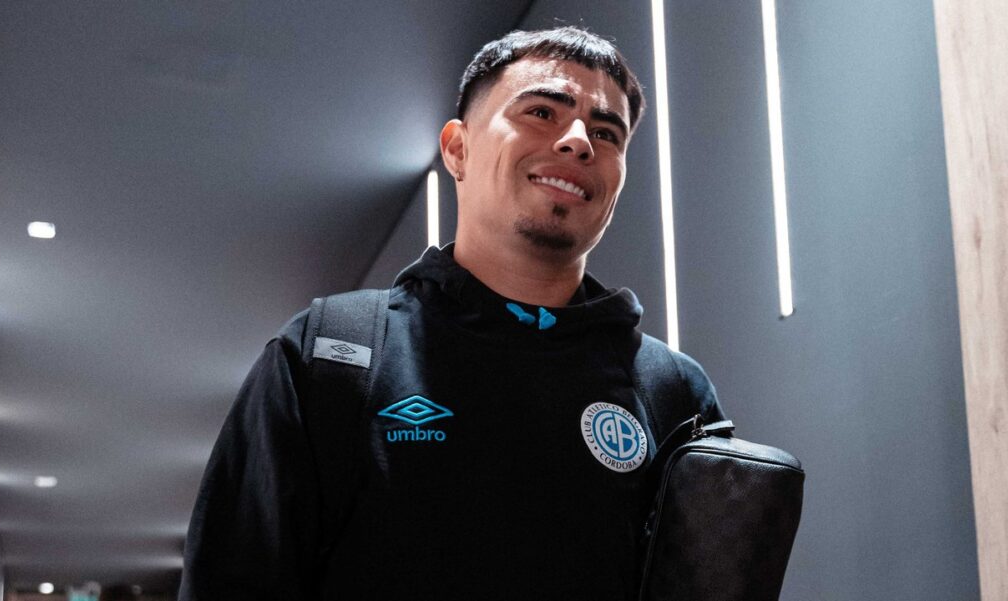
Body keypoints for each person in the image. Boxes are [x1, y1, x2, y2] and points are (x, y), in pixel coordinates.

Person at [179, 26, 725, 601]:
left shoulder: (674, 394)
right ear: (458, 149)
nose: (577, 141)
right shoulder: (330, 355)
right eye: (542, 112)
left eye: (606, 133)